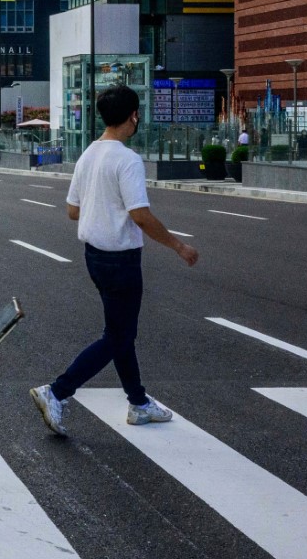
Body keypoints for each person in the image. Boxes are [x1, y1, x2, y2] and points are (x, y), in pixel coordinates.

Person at [30, 84, 197, 437]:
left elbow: (73, 211)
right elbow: (140, 215)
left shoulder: (89, 154)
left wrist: (101, 206)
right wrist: (178, 246)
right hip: (121, 261)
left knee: (120, 333)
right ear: (133, 116)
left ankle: (138, 403)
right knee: (117, 337)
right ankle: (57, 391)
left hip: (94, 257)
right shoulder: (127, 159)